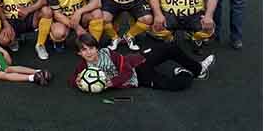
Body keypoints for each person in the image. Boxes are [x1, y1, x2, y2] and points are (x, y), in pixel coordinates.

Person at [69, 33, 215, 92]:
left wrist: (112, 83)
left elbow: (125, 70)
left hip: (138, 62)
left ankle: (198, 69)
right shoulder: (83, 67)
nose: (88, 52)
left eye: (91, 48)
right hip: (140, 78)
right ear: (79, 53)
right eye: (84, 50)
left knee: (170, 47)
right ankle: (183, 73)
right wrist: (78, 82)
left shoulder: (108, 53)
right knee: (175, 86)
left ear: (97, 48)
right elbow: (72, 79)